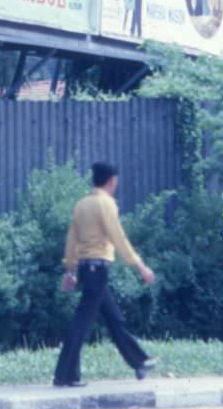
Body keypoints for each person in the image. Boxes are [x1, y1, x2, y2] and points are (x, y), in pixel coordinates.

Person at [53, 162, 156, 388]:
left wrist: (70, 269)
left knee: (114, 318)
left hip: (85, 269)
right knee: (82, 322)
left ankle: (139, 361)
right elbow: (118, 237)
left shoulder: (82, 205)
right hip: (97, 269)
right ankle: (65, 375)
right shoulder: (106, 204)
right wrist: (141, 267)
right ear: (111, 181)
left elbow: (72, 239)